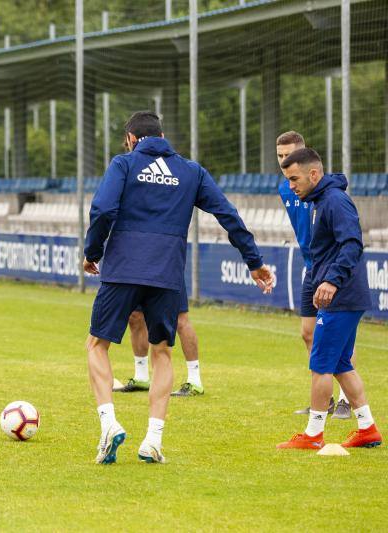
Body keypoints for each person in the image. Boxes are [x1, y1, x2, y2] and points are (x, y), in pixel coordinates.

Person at [84, 111, 274, 465]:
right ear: (162, 135)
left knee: (97, 345)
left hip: (123, 268)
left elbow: (103, 209)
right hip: (167, 273)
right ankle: (153, 440)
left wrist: (92, 253)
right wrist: (254, 261)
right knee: (162, 354)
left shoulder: (124, 164)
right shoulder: (190, 171)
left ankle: (108, 423)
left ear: (130, 139)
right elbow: (227, 213)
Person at [276, 148, 381, 450]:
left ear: (313, 174)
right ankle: (367, 428)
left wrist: (332, 281)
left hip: (341, 295)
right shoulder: (318, 201)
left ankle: (313, 435)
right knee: (340, 364)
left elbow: (352, 244)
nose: (291, 186)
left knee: (320, 364)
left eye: (294, 179)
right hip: (345, 295)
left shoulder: (335, 201)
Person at [276, 131, 351, 419]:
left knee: (340, 338)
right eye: (280, 156)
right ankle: (325, 399)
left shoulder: (321, 187)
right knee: (308, 333)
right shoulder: (286, 189)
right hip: (312, 266)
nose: (285, 161)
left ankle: (345, 401)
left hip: (329, 267)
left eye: (290, 155)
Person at [113, 283, 204, 397]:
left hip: (167, 271)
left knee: (180, 318)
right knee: (135, 316)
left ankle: (195, 381)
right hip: (140, 271)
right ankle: (141, 377)